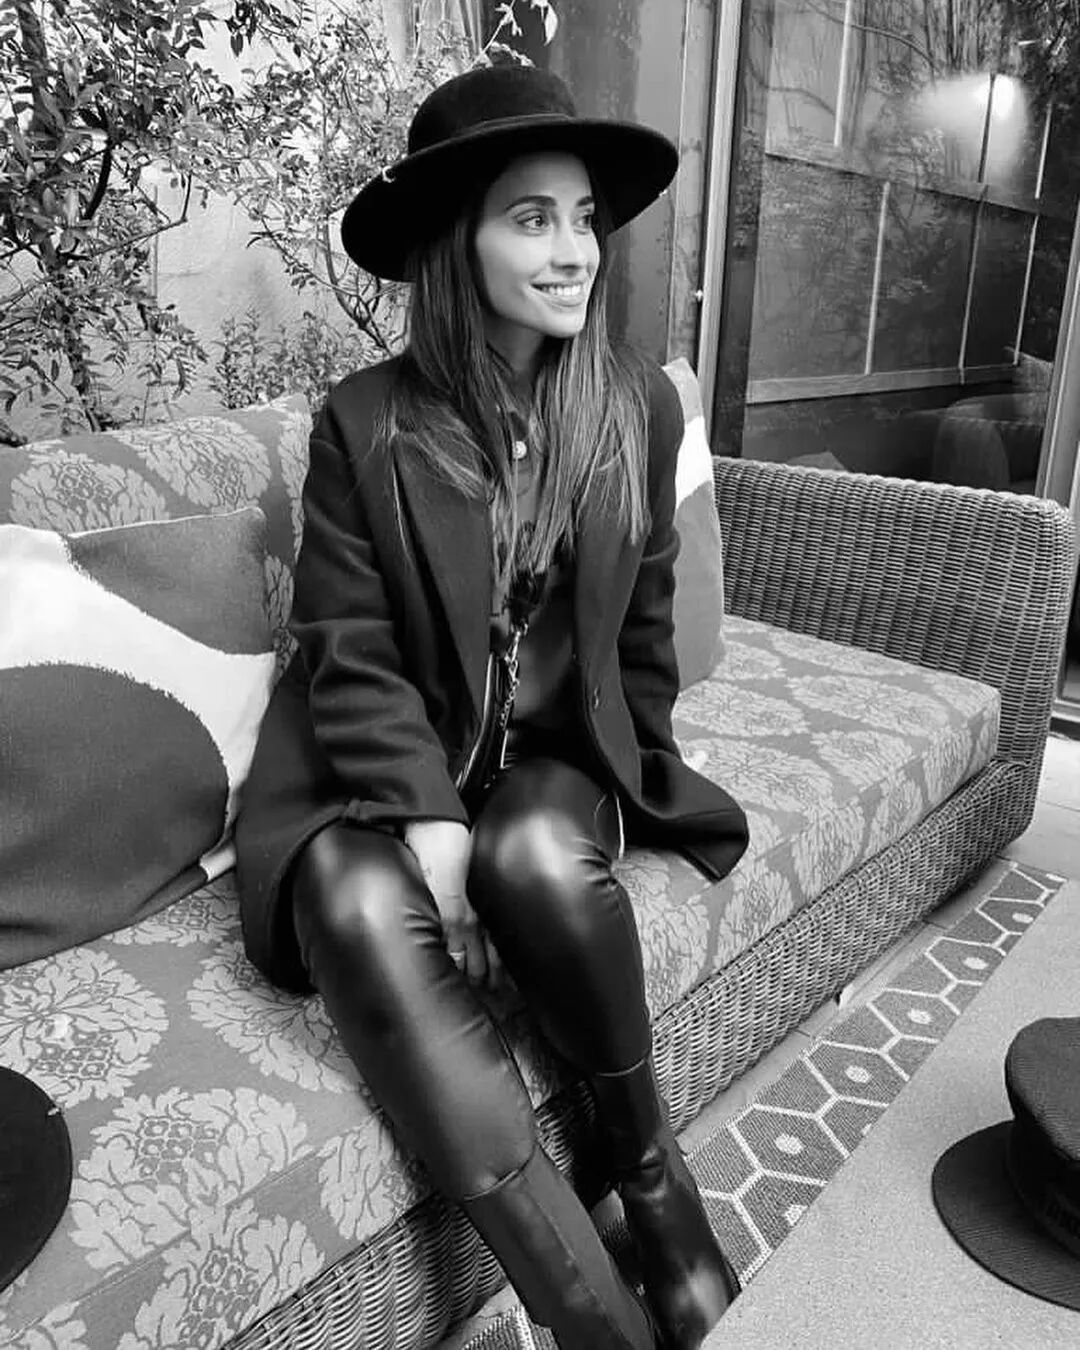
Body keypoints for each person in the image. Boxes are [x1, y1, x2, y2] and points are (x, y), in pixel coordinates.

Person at [235, 61, 749, 1350]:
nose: (575, 251)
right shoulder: (366, 422)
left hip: (549, 757)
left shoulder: (635, 405)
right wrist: (427, 820)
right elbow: (347, 644)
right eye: (532, 219)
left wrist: (634, 763)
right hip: (378, 759)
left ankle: (656, 1191)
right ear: (455, 244)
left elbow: (642, 628)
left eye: (584, 218)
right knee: (351, 900)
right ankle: (590, 1317)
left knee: (533, 855)